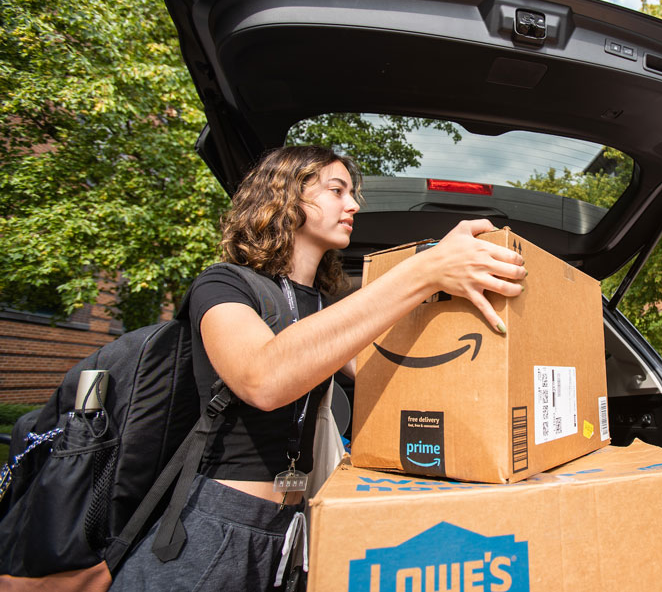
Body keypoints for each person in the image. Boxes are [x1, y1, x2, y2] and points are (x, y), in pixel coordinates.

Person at [110, 145, 525, 591]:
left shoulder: (327, 307)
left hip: (298, 524)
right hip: (216, 522)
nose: (353, 204)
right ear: (285, 195)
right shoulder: (223, 283)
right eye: (336, 190)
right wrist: (423, 272)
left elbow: (396, 376)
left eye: (352, 193)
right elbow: (261, 379)